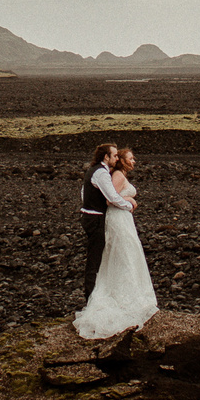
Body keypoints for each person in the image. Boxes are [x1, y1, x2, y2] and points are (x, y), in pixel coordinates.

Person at [75, 145, 157, 339]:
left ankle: (115, 294)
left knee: (119, 255)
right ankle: (110, 299)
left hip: (115, 218)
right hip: (116, 218)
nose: (134, 161)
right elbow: (111, 199)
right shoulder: (115, 175)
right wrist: (130, 202)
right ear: (112, 158)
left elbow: (85, 192)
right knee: (123, 254)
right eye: (131, 158)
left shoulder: (102, 172)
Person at [79, 142, 122, 293]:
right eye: (115, 155)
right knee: (95, 259)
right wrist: (129, 206)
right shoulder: (101, 173)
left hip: (89, 216)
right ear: (106, 156)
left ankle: (93, 293)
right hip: (95, 219)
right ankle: (91, 297)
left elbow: (83, 192)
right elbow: (113, 197)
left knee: (95, 257)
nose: (117, 158)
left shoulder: (93, 170)